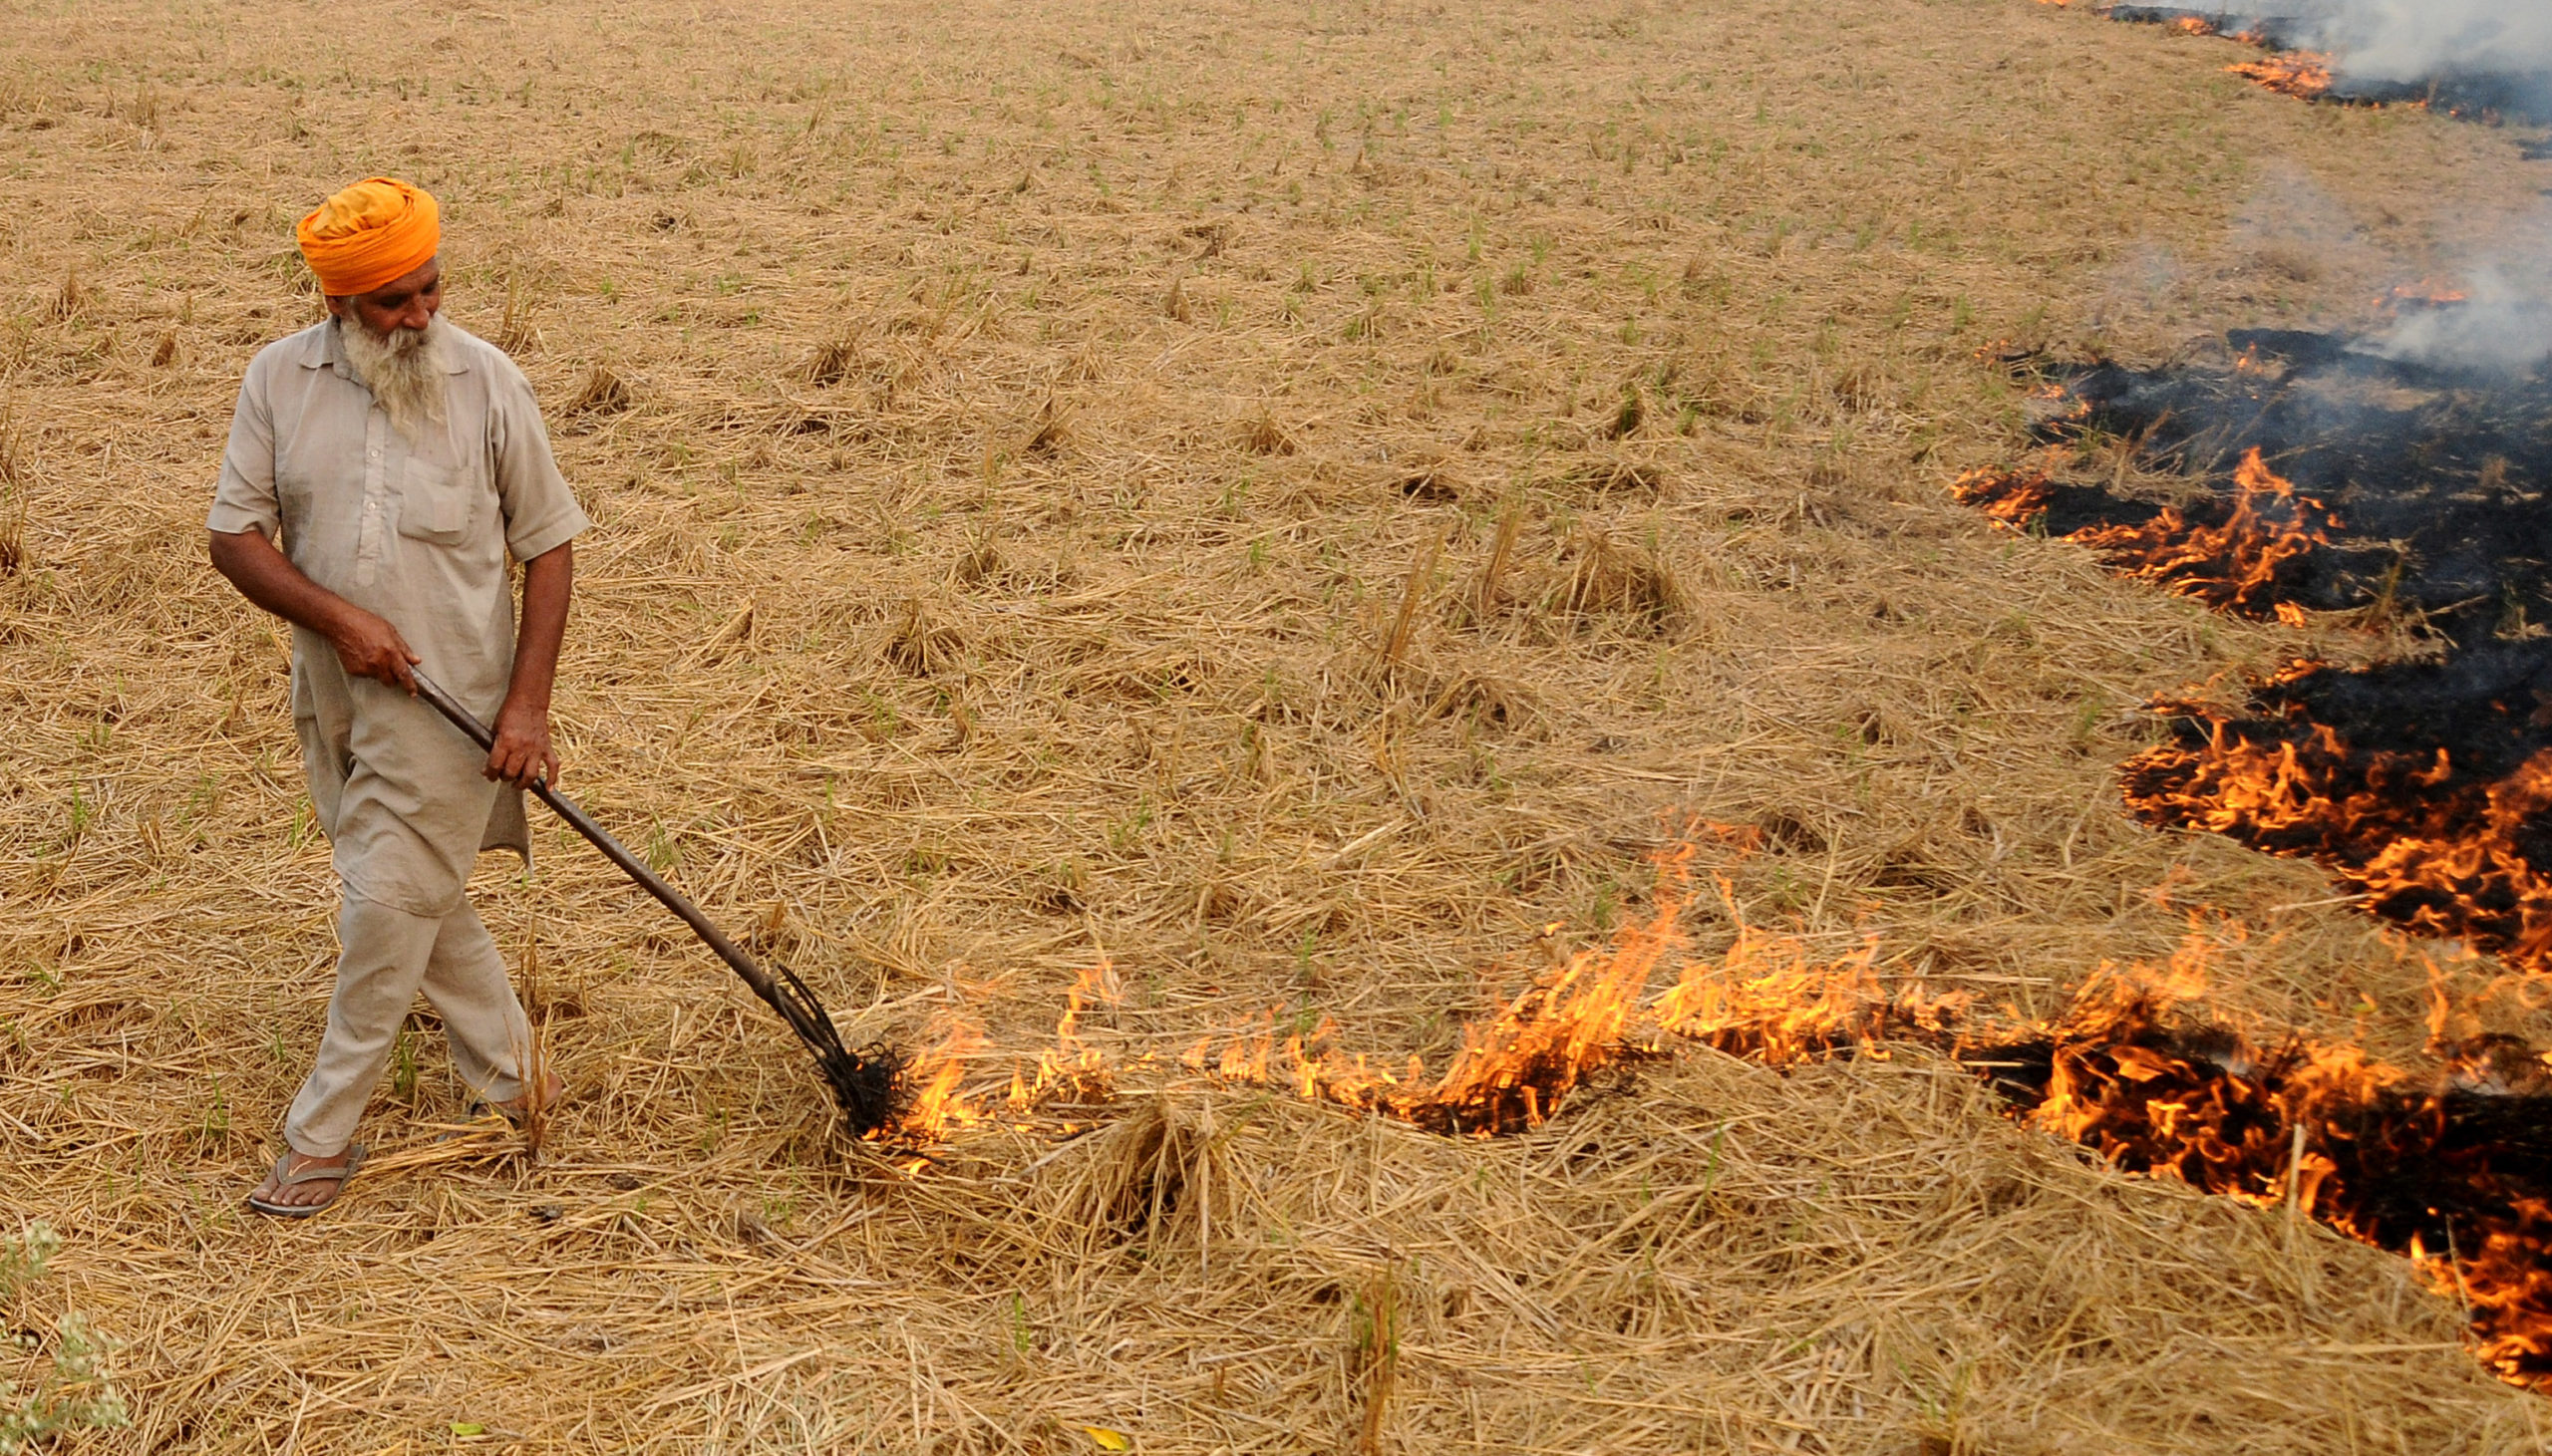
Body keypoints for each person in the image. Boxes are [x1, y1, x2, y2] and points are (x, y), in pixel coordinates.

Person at [207, 176, 588, 1217]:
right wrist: (340, 621)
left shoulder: (489, 382)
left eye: (429, 290)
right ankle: (517, 1084)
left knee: (382, 910)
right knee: (418, 894)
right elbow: (232, 540)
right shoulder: (277, 381)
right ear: (339, 303)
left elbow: (550, 549)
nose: (419, 316)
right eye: (392, 302)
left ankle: (320, 1137)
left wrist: (526, 710)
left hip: (451, 702)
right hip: (331, 699)